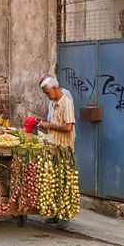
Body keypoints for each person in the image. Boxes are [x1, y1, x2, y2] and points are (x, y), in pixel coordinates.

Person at [38, 75, 76, 229]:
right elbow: (54, 124)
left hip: (64, 149)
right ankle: (54, 213)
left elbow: (68, 127)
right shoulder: (54, 104)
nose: (47, 96)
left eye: (47, 93)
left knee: (65, 183)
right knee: (54, 182)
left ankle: (65, 216)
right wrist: (45, 124)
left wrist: (50, 126)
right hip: (54, 147)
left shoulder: (66, 103)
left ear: (55, 88)